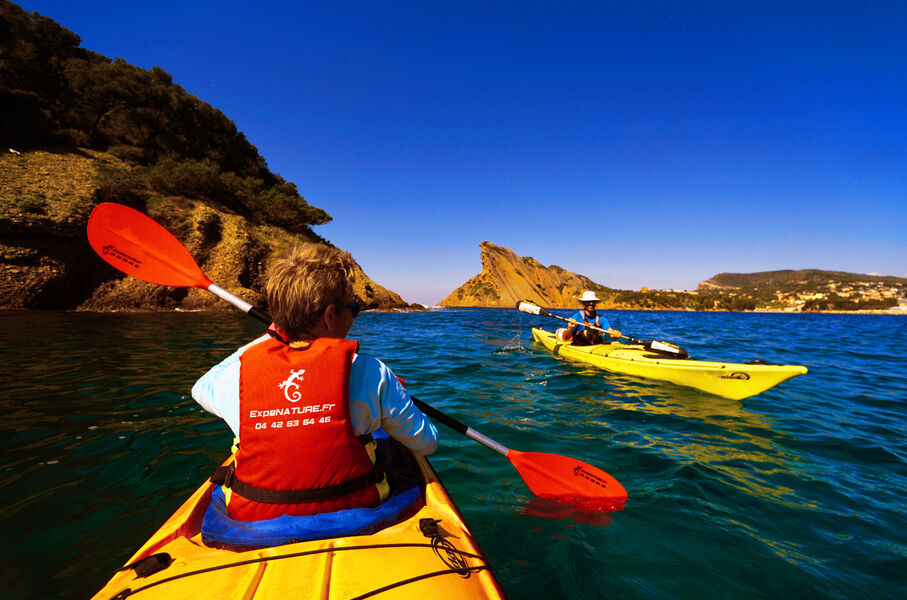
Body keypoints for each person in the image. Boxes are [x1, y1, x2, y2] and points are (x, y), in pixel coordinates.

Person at [192, 243, 438, 522]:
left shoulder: (237, 374)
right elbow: (426, 444)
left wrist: (270, 336)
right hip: (357, 512)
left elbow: (200, 388)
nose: (354, 316)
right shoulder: (371, 372)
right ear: (331, 315)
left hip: (253, 521)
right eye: (354, 309)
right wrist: (394, 398)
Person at [557, 290, 622, 346]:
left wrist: (614, 333)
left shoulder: (601, 319)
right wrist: (570, 327)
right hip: (580, 346)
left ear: (595, 303)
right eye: (588, 301)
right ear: (584, 303)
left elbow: (610, 331)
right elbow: (566, 338)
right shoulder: (576, 317)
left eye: (593, 301)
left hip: (596, 346)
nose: (591, 303)